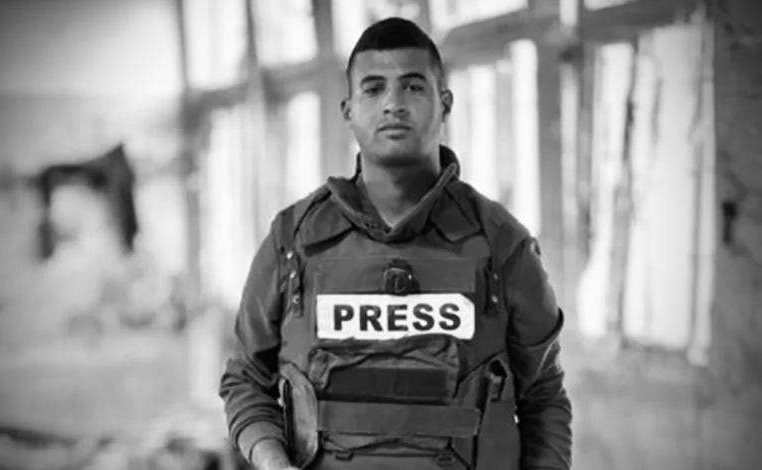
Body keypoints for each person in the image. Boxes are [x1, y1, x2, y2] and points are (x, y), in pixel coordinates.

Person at [220, 17, 572, 470]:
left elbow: (544, 397)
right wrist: (272, 462)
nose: (393, 104)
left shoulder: (503, 245)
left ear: (445, 103)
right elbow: (246, 379)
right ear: (348, 110)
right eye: (373, 89)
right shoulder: (292, 241)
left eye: (412, 87)